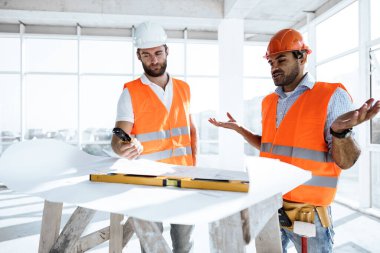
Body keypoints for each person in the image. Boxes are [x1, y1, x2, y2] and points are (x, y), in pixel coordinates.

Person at [209, 28, 380, 253]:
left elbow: (346, 161)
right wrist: (241, 130)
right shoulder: (269, 102)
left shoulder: (331, 95)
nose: (274, 67)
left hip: (309, 215)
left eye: (281, 59)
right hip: (270, 205)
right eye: (270, 62)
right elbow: (271, 147)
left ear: (303, 57)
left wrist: (341, 132)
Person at [111, 21, 197, 253]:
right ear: (138, 56)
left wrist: (195, 167)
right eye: (147, 55)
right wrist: (123, 147)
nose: (154, 60)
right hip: (148, 182)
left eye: (158, 53)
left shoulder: (184, 88)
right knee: (153, 246)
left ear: (167, 50)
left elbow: (191, 130)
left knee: (184, 245)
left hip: (184, 179)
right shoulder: (131, 93)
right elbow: (119, 135)